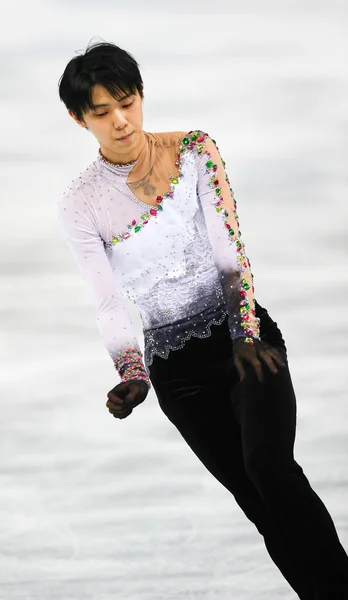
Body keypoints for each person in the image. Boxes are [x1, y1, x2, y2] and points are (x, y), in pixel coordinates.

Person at [57, 41, 348, 599]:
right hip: (177, 372)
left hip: (245, 342)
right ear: (79, 119)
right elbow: (108, 301)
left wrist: (243, 332)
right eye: (101, 112)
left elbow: (227, 252)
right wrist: (131, 371)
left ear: (141, 95)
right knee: (260, 506)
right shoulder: (81, 204)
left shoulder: (193, 150)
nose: (121, 121)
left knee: (271, 467)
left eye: (127, 102)